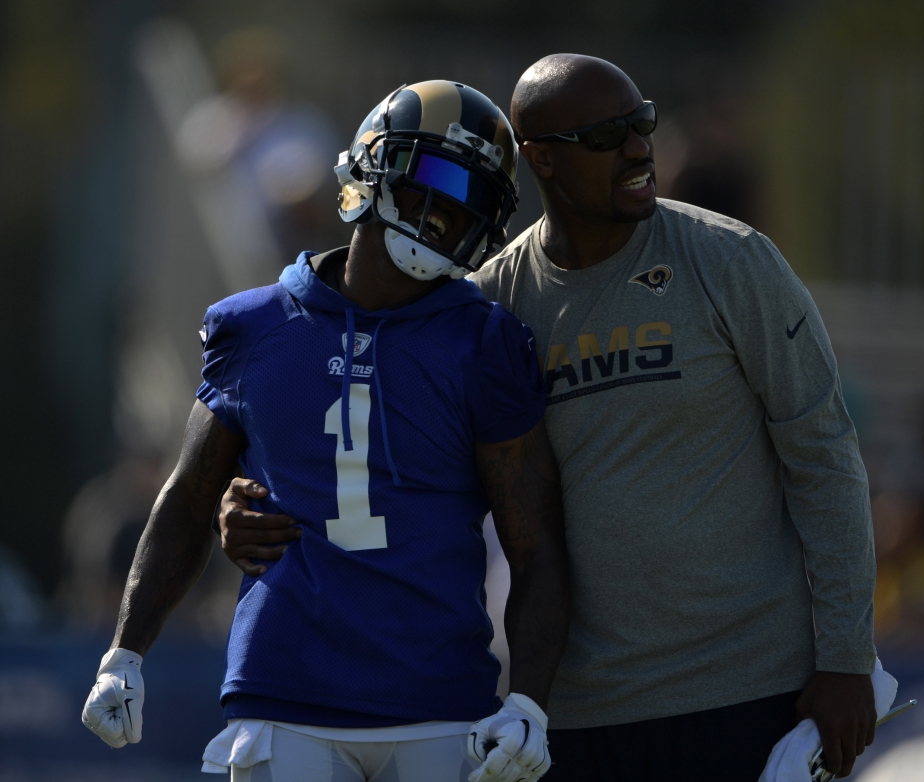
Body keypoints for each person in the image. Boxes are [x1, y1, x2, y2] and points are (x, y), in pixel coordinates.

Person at [220, 55, 879, 781]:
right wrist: (250, 496)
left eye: (642, 125)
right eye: (608, 136)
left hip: (744, 691)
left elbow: (825, 459)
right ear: (542, 160)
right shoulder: (488, 307)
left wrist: (848, 659)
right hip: (574, 711)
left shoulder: (734, 262)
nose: (639, 149)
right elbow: (374, 450)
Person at [81, 80, 570, 782]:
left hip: (438, 695)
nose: (450, 209)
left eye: (476, 197)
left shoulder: (484, 342)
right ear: (373, 167)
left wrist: (528, 699)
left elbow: (536, 541)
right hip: (287, 691)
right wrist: (124, 652)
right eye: (436, 178)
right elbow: (189, 499)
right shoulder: (252, 326)